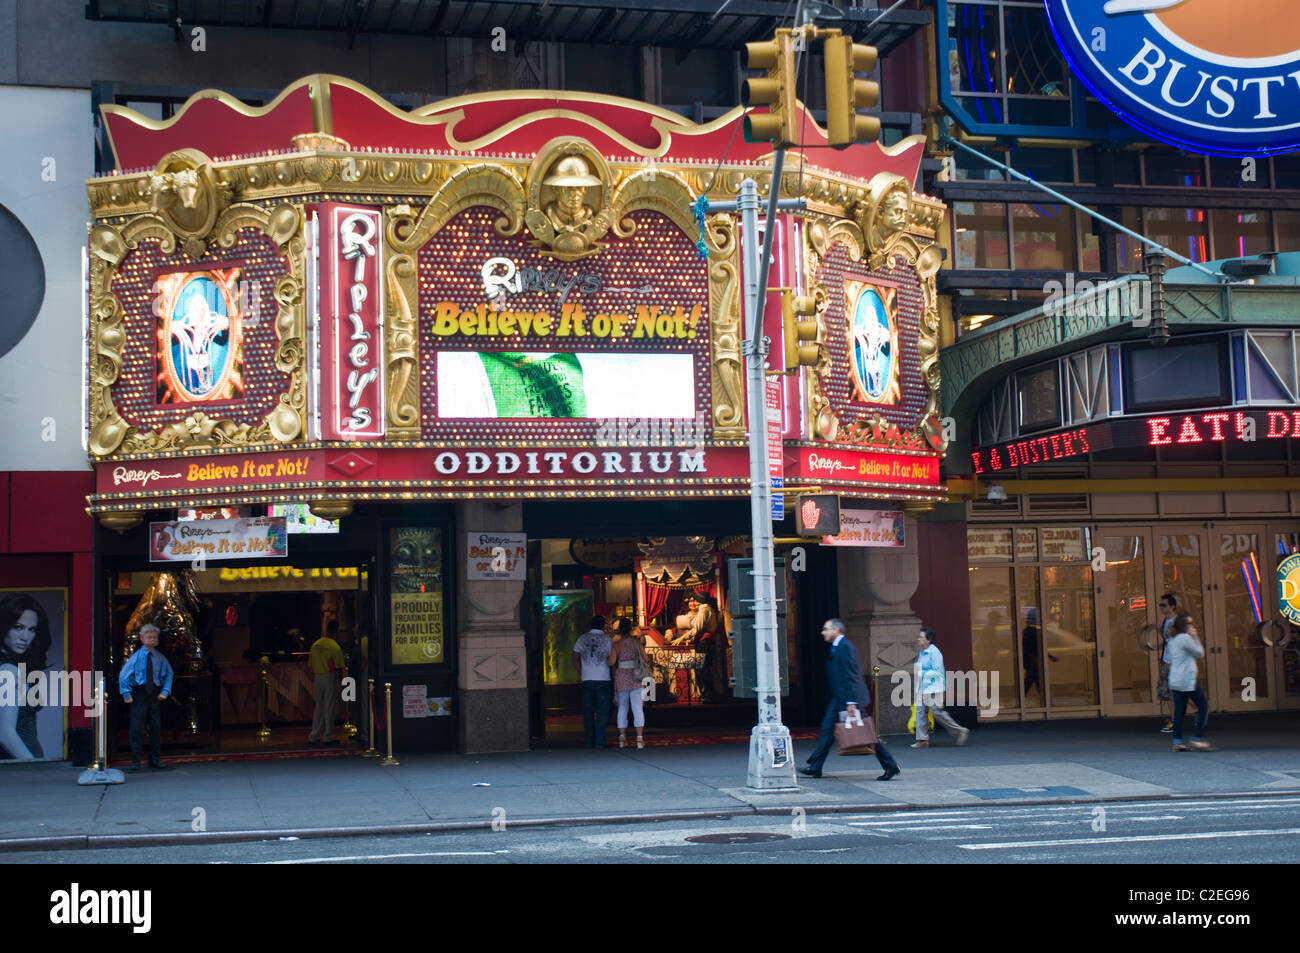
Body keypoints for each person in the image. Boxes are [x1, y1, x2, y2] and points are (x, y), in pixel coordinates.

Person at [799, 619, 901, 781]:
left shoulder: (845, 647)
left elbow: (851, 675)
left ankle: (890, 766)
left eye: (826, 629)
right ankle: (815, 766)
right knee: (827, 729)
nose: (822, 632)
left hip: (850, 699)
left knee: (868, 734)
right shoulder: (838, 647)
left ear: (836, 630)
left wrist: (851, 702)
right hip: (840, 697)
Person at [0, 593, 53, 760]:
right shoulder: (8, 670)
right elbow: (5, 733)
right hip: (20, 766)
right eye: (18, 627)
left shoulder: (13, 667)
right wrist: (34, 767)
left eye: (32, 630)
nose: (25, 637)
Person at [118, 623, 174, 770]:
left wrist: (165, 690)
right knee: (136, 726)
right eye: (149, 637)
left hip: (154, 693)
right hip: (140, 693)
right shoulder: (136, 657)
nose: (152, 640)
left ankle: (154, 758)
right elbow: (124, 675)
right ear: (142, 639)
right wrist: (126, 693)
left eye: (154, 637)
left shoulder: (160, 658)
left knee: (155, 726)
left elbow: (169, 673)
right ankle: (136, 758)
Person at [912, 626, 970, 748]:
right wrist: (917, 689)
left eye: (921, 637)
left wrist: (940, 693)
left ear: (928, 640)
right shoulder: (921, 653)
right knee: (920, 712)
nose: (918, 639)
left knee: (937, 712)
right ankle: (922, 740)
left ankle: (960, 731)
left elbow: (938, 673)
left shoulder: (935, 653)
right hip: (923, 687)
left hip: (934, 687)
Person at [1167, 611, 1212, 751]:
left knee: (1179, 711)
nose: (1193, 626)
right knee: (1202, 706)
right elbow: (1200, 653)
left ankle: (1177, 741)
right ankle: (1197, 738)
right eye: (1191, 624)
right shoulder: (1185, 638)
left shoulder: (1172, 640)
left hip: (1175, 679)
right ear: (1185, 626)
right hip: (1187, 679)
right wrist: (1196, 637)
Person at [572, 615, 613, 748]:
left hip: (587, 679)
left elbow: (574, 658)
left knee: (588, 712)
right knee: (602, 712)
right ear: (602, 626)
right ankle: (600, 741)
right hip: (603, 679)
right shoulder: (607, 640)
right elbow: (612, 661)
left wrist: (582, 672)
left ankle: (589, 741)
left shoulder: (582, 639)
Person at [608, 619, 650, 749]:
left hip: (622, 676)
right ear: (631, 629)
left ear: (619, 629)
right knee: (637, 707)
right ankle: (639, 738)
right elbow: (646, 659)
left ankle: (622, 737)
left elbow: (611, 662)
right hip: (636, 676)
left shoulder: (616, 644)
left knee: (622, 707)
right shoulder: (637, 643)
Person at [308, 621, 345, 746]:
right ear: (336, 631)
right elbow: (339, 667)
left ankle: (314, 735)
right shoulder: (335, 647)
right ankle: (328, 736)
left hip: (318, 677)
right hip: (330, 677)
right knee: (329, 706)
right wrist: (341, 683)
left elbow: (310, 665)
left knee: (318, 706)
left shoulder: (315, 645)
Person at [1157, 594, 1177, 733]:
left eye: (1164, 605)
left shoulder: (1178, 621)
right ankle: (1174, 720)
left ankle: (1200, 707)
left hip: (1176, 661)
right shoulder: (1165, 621)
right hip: (1167, 660)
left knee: (1180, 691)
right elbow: (1166, 641)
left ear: (1172, 606)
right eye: (1161, 605)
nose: (1162, 608)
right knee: (1167, 692)